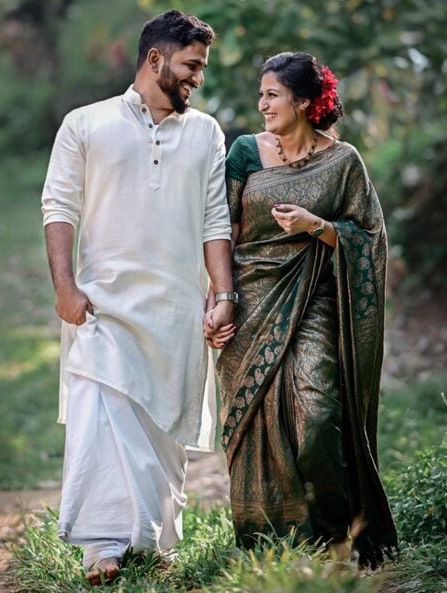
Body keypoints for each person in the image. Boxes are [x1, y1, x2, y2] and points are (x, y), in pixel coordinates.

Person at [41, 10, 236, 585]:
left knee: (160, 434)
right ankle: (101, 549)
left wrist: (221, 293)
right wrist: (65, 288)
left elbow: (214, 220)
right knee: (100, 425)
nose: (198, 77)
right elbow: (59, 207)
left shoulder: (206, 133)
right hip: (101, 305)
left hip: (177, 309)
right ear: (156, 59)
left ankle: (153, 540)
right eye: (191, 65)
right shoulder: (86, 123)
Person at [207, 51, 398, 568]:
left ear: (304, 101)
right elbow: (220, 229)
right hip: (249, 304)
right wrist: (219, 299)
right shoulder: (245, 152)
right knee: (260, 423)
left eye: (272, 94)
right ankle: (276, 542)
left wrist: (318, 226)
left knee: (317, 419)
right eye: (261, 93)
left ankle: (339, 536)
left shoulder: (343, 162)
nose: (261, 103)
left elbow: (371, 240)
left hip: (314, 301)